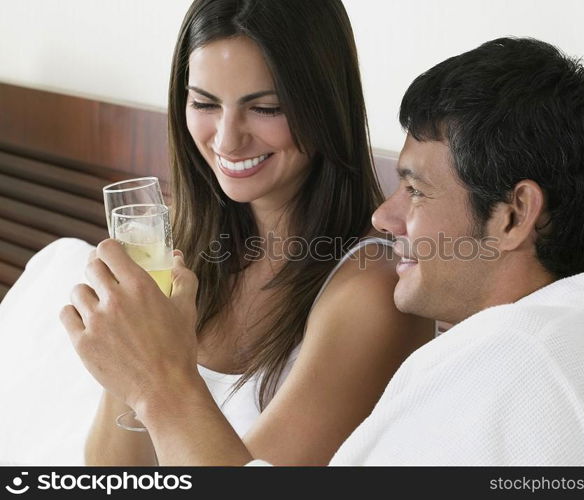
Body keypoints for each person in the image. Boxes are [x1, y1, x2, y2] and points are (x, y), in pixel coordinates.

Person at [62, 37, 584, 465]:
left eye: (414, 189)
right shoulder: (508, 358)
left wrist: (161, 383)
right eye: (204, 102)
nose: (384, 216)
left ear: (513, 214)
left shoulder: (537, 367)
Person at [73, 0, 434, 466]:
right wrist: (123, 360)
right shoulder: (185, 249)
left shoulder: (374, 287)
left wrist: (154, 375)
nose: (226, 140)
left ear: (325, 106)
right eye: (204, 103)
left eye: (264, 108)